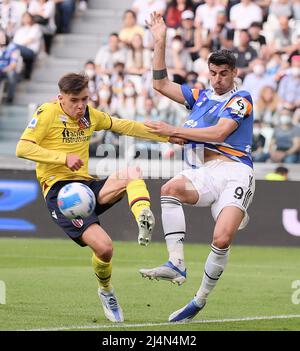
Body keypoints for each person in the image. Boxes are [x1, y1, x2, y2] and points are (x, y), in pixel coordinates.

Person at [15, 72, 183, 323]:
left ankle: (143, 217)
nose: (80, 106)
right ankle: (106, 291)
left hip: (85, 186)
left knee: (132, 173)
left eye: (84, 99)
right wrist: (63, 158)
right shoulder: (47, 113)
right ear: (61, 98)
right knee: (104, 248)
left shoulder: (89, 116)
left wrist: (167, 135)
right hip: (62, 194)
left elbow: (124, 125)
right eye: (74, 100)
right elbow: (23, 148)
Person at [139, 12, 255, 323]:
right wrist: (160, 41)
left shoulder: (242, 99)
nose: (217, 79)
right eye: (213, 73)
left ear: (234, 73)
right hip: (206, 173)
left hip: (235, 172)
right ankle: (176, 263)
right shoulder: (200, 96)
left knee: (221, 240)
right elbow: (160, 83)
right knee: (169, 189)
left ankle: (199, 300)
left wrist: (173, 131)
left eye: (223, 74)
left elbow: (219, 134)